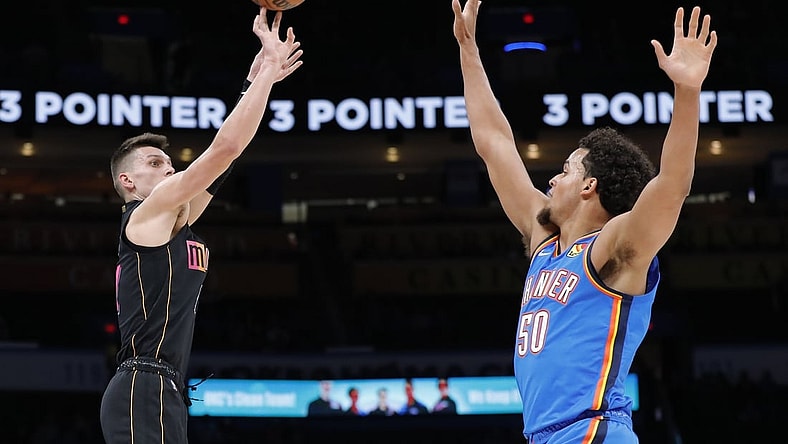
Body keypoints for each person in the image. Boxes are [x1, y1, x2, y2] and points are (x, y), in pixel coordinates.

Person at [452, 1, 717, 442]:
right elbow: (494, 142)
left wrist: (687, 93)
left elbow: (671, 186)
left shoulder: (614, 248)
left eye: (568, 169)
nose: (553, 177)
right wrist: (468, 50)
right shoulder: (544, 241)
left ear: (590, 186)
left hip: (593, 430)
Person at [99, 7, 303, 444]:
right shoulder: (145, 215)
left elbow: (223, 166)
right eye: (156, 164)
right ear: (127, 181)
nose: (170, 171)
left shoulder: (174, 217)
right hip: (142, 384)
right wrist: (267, 72)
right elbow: (225, 148)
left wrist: (251, 87)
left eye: (171, 164)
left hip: (165, 386)